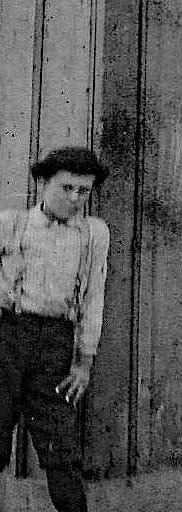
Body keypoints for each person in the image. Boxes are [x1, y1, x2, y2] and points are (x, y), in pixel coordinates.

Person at [0, 146, 110, 512]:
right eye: (67, 188)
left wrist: (84, 363)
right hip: (8, 339)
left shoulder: (94, 234)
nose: (76, 198)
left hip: (56, 348)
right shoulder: (11, 224)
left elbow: (94, 298)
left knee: (61, 450)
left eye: (84, 190)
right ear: (44, 182)